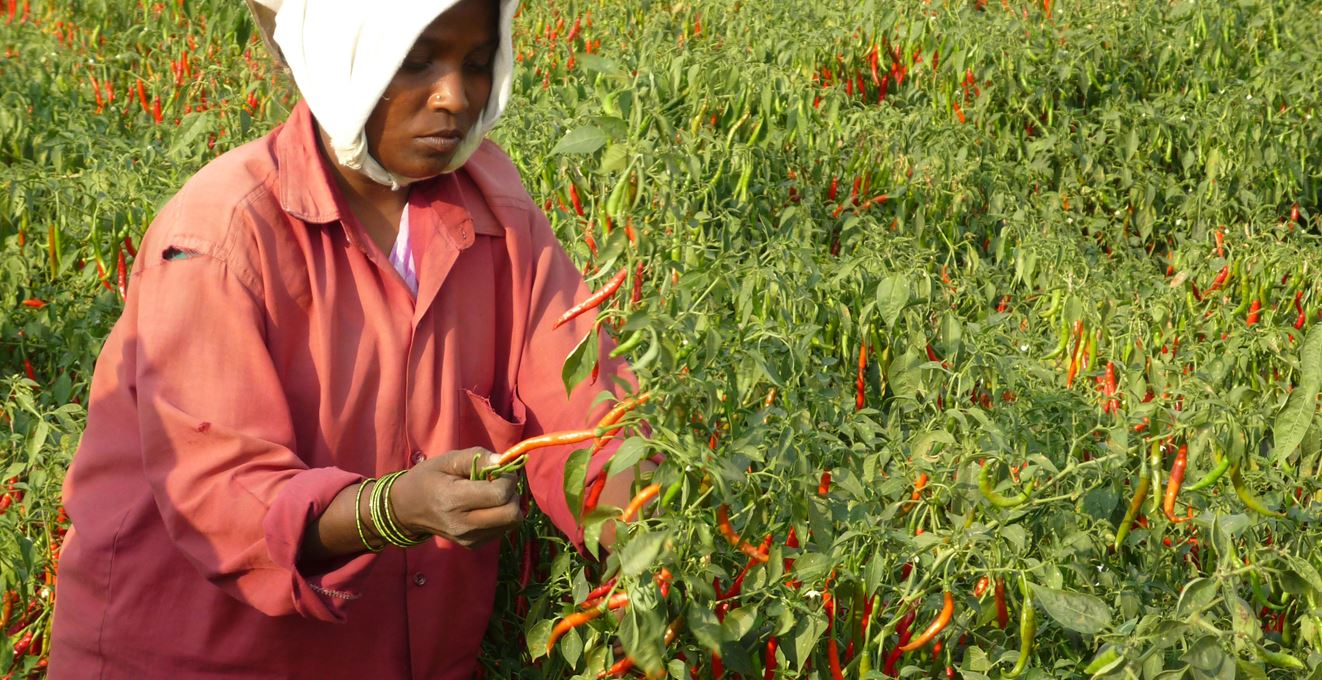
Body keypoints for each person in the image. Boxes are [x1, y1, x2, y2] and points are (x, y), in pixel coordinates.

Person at [48, 0, 652, 677]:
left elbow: (588, 407)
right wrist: (392, 509)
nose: (455, 95)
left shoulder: (494, 208)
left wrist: (660, 529)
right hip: (201, 654)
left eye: (477, 63)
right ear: (345, 55)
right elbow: (222, 493)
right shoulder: (221, 234)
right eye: (418, 59)